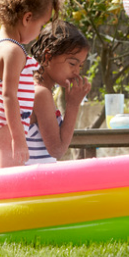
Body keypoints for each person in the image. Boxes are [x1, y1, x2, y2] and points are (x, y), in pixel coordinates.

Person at [0, 0, 64, 168]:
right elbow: (9, 95)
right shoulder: (14, 50)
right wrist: (18, 137)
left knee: (1, 182)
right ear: (27, 18)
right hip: (8, 129)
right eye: (41, 25)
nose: (40, 32)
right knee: (13, 186)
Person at [26, 21, 91, 164]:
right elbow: (57, 150)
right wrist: (73, 105)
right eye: (72, 64)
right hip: (35, 182)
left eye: (80, 66)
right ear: (48, 57)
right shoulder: (41, 93)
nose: (77, 71)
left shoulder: (38, 89)